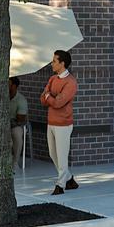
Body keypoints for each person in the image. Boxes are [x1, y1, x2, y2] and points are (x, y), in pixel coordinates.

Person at [42, 49, 77, 195]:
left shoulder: (71, 82)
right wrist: (51, 97)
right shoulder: (52, 79)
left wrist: (49, 96)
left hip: (63, 124)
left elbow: (59, 103)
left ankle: (60, 185)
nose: (52, 64)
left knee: (62, 156)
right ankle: (69, 179)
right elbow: (43, 99)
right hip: (51, 122)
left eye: (54, 61)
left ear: (62, 63)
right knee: (53, 154)